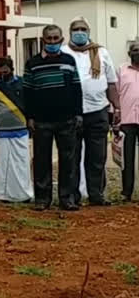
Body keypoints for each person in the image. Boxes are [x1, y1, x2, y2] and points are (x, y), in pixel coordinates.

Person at [23, 24, 83, 211]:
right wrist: (30, 117)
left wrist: (78, 113)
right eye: (48, 39)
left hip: (66, 119)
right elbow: (27, 92)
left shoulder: (69, 61)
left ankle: (67, 198)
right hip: (41, 120)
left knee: (68, 161)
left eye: (55, 38)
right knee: (41, 161)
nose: (52, 42)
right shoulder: (32, 63)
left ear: (61, 39)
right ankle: (42, 199)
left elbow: (76, 89)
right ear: (43, 40)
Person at [62, 17, 119, 206]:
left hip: (98, 111)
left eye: (83, 29)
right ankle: (72, 197)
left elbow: (111, 83)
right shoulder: (63, 52)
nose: (80, 32)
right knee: (72, 157)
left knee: (97, 156)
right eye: (76, 29)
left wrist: (117, 107)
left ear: (89, 31)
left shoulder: (101, 52)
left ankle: (96, 195)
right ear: (70, 32)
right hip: (71, 112)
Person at [0, 57, 33, 203]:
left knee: (22, 163)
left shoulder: (22, 83)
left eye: (5, 70)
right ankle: (2, 195)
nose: (3, 73)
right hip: (2, 131)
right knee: (3, 165)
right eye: (0, 71)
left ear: (11, 68)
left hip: (21, 129)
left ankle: (23, 194)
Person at [116, 42, 139, 201]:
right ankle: (126, 192)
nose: (137, 53)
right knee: (126, 159)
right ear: (129, 53)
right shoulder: (121, 70)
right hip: (126, 121)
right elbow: (114, 94)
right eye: (135, 50)